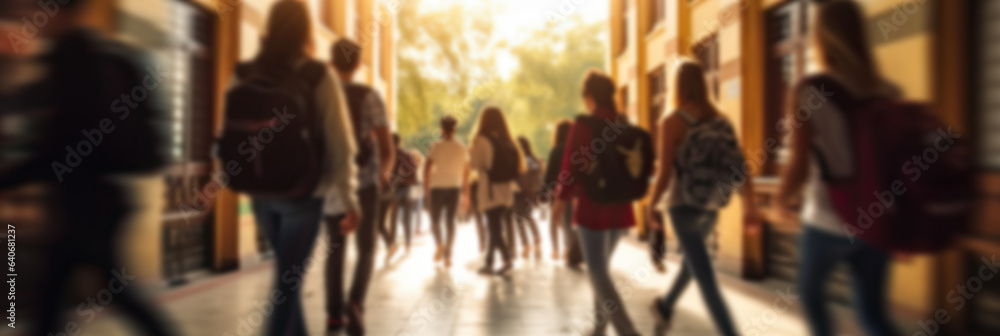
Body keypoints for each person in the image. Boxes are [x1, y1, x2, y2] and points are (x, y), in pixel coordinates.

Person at [0, 1, 175, 335]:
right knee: (66, 293)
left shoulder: (71, 59)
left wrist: (10, 177)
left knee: (86, 291)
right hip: (98, 199)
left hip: (85, 204)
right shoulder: (95, 54)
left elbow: (59, 143)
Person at [232, 3, 361, 336]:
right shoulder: (317, 74)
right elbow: (341, 142)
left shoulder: (245, 72)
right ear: (306, 31)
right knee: (287, 286)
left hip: (261, 193)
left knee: (287, 277)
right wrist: (348, 198)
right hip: (303, 194)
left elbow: (232, 134)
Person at [777, 2, 902, 335]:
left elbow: (799, 164)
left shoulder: (808, 90)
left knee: (811, 296)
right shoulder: (889, 92)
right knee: (872, 314)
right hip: (878, 219)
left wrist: (780, 201)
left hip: (827, 218)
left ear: (820, 37)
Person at [647, 59, 757, 336]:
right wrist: (750, 206)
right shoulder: (721, 119)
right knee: (693, 263)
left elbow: (664, 173)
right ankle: (666, 306)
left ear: (677, 87)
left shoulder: (671, 121)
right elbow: (740, 167)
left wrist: (651, 205)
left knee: (704, 278)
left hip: (682, 206)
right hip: (709, 205)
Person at [551, 71, 641, 336]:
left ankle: (628, 331)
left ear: (589, 96)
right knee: (600, 269)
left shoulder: (584, 125)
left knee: (597, 271)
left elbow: (571, 166)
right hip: (621, 207)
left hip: (593, 206)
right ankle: (599, 329)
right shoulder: (623, 123)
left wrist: (559, 202)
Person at [324, 37, 395, 336]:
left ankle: (334, 316)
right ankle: (355, 302)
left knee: (335, 248)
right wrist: (382, 175)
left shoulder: (320, 96)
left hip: (330, 185)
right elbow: (387, 148)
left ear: (330, 63)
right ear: (357, 65)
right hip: (364, 183)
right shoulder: (370, 96)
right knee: (367, 248)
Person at [469, 106, 521, 275]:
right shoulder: (507, 140)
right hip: (505, 189)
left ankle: (506, 259)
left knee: (494, 228)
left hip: (490, 190)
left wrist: (473, 151)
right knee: (494, 226)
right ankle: (489, 262)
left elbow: (476, 165)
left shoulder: (482, 139)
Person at [423, 115, 470, 268]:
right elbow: (466, 172)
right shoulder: (462, 148)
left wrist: (426, 189)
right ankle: (448, 255)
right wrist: (466, 193)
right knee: (450, 221)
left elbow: (427, 169)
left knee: (435, 220)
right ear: (455, 129)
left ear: (441, 129)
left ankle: (439, 244)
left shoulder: (435, 146)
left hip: (437, 187)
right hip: (454, 187)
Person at [543, 121, 581, 264]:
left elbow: (550, 173)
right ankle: (568, 247)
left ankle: (556, 250)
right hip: (574, 190)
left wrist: (543, 192)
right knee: (568, 220)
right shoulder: (576, 148)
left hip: (557, 190)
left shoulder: (557, 149)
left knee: (555, 219)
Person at [381, 134, 419, 258]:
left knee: (393, 218)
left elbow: (388, 174)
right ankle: (408, 244)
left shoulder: (391, 154)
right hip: (408, 189)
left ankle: (392, 244)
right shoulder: (407, 154)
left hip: (395, 189)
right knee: (407, 218)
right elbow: (414, 175)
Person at [510, 136, 543, 260]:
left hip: (520, 191)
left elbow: (521, 177)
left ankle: (526, 245)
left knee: (518, 218)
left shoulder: (521, 160)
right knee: (528, 216)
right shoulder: (534, 159)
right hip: (532, 192)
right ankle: (536, 238)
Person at [408, 149, 426, 236]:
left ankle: (417, 228)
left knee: (419, 209)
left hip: (419, 188)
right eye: (412, 156)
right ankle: (410, 228)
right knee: (409, 209)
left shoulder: (422, 166)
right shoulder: (407, 167)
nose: (414, 158)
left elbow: (423, 178)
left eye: (415, 156)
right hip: (410, 189)